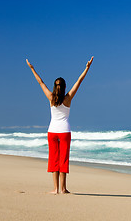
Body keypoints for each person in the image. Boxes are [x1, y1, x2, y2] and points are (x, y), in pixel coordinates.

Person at [26, 56, 93, 194]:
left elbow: (40, 82)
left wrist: (32, 68)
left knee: (53, 159)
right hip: (64, 132)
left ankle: (55, 188)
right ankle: (63, 189)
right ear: (64, 87)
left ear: (55, 87)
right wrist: (87, 68)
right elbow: (79, 81)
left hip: (52, 132)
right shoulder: (68, 98)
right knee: (63, 160)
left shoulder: (51, 98)